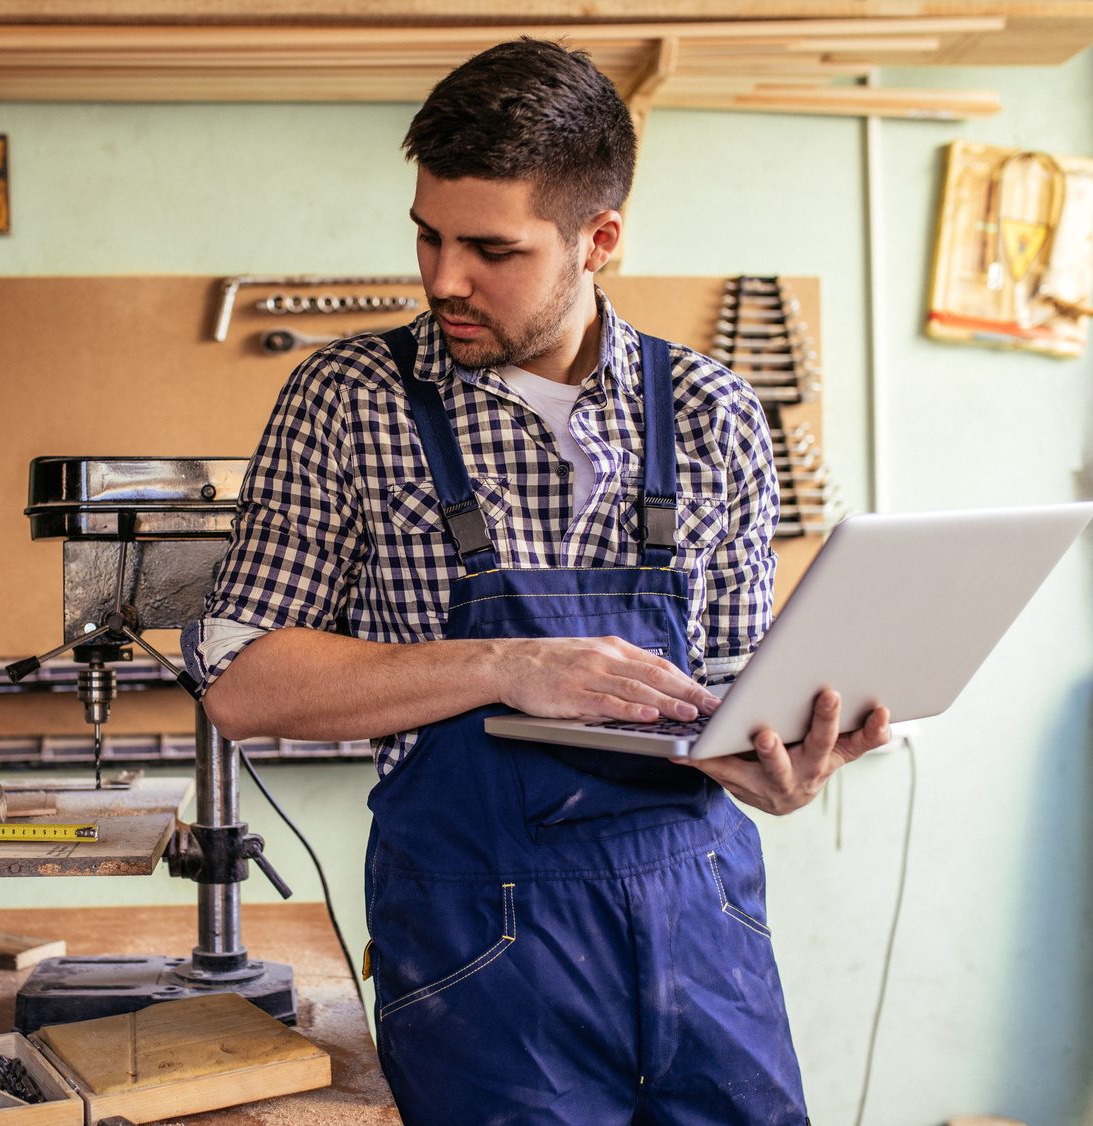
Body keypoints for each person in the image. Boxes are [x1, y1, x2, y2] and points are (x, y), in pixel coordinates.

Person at [181, 37, 890, 1125]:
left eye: (488, 250)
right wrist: (509, 664)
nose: (439, 279)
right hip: (482, 962)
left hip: (704, 938)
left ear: (596, 238)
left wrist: (780, 765)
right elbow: (241, 681)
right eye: (426, 236)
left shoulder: (714, 411)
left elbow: (738, 689)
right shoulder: (346, 400)